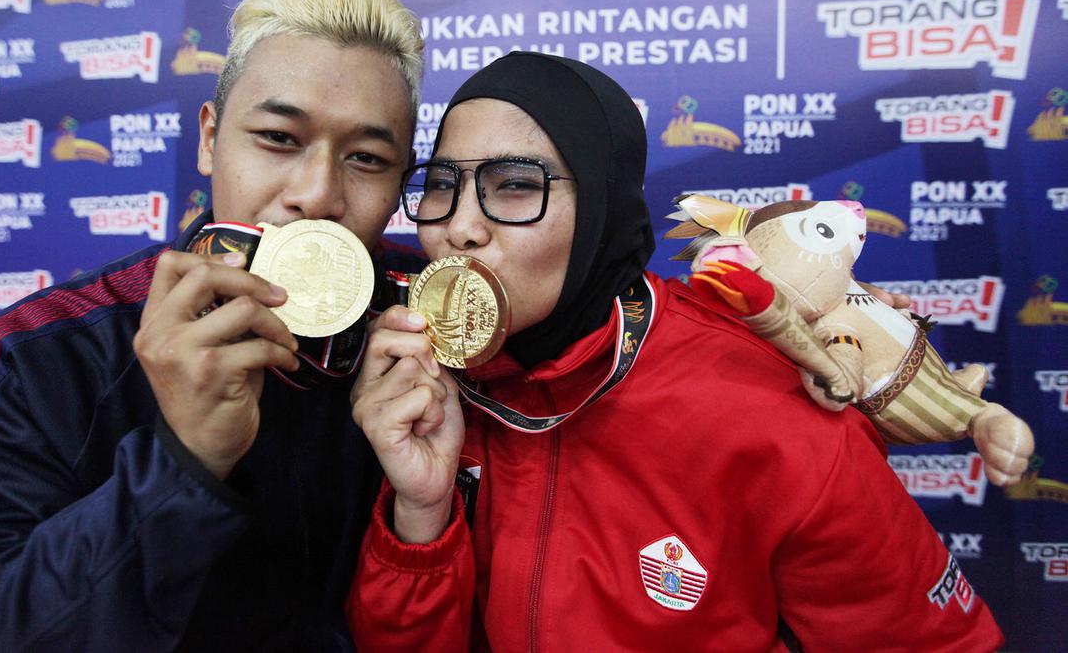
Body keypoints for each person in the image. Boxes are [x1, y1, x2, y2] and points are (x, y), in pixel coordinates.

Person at [346, 52, 1005, 651]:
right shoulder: (417, 382)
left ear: (602, 206)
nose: (459, 227)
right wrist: (421, 518)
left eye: (514, 185)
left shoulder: (769, 407)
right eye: (440, 185)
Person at [0, 0, 425, 652]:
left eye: (365, 158)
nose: (317, 193)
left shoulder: (430, 326)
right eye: (277, 138)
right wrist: (179, 465)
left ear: (399, 182)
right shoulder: (45, 353)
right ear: (211, 139)